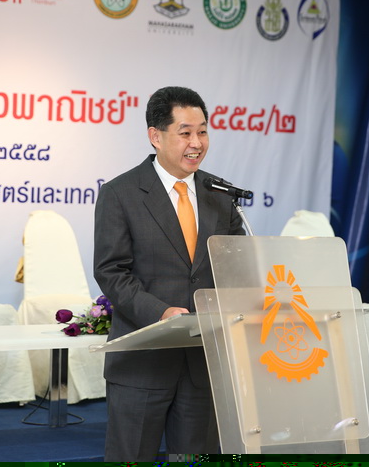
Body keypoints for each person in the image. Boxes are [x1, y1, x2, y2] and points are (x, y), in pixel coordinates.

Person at [93, 86, 246, 461]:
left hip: (202, 362)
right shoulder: (121, 193)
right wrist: (160, 312)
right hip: (142, 361)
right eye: (185, 132)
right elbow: (111, 272)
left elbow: (236, 264)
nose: (197, 143)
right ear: (156, 136)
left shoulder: (219, 193)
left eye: (203, 132)